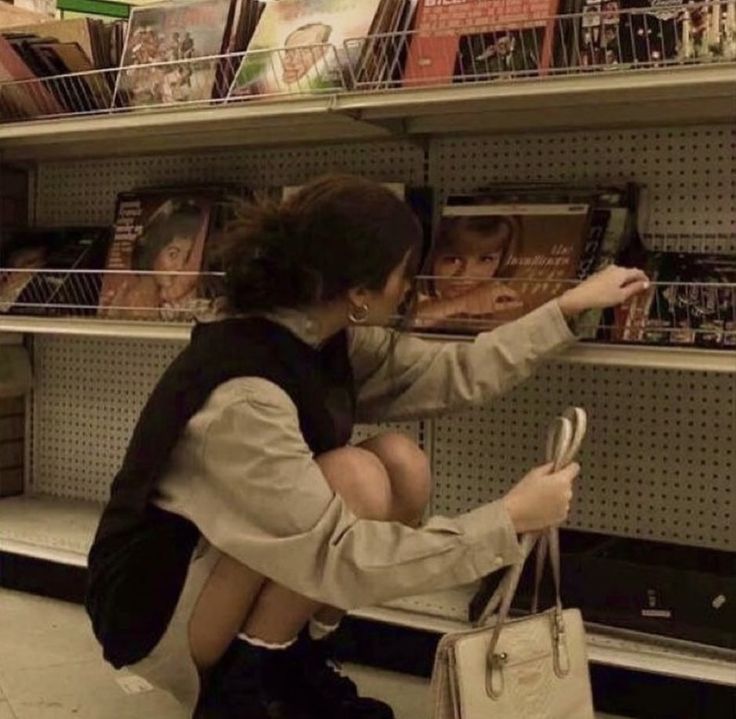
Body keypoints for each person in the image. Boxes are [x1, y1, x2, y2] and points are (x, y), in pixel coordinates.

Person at [85, 175, 649, 719]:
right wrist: (507, 521)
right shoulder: (244, 397)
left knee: (401, 461)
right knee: (354, 476)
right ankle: (241, 689)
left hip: (221, 568)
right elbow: (341, 556)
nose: (410, 286)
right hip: (154, 612)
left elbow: (451, 372)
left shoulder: (319, 334)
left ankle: (294, 662)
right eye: (403, 273)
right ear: (358, 292)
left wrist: (566, 309)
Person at [416, 213, 524, 329]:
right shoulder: (407, 298)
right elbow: (404, 326)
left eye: (485, 259)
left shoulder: (508, 305)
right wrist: (462, 303)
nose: (465, 275)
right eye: (453, 260)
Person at [105, 199, 207, 320]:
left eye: (185, 258)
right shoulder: (121, 300)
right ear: (152, 249)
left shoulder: (169, 308)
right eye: (173, 254)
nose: (180, 266)